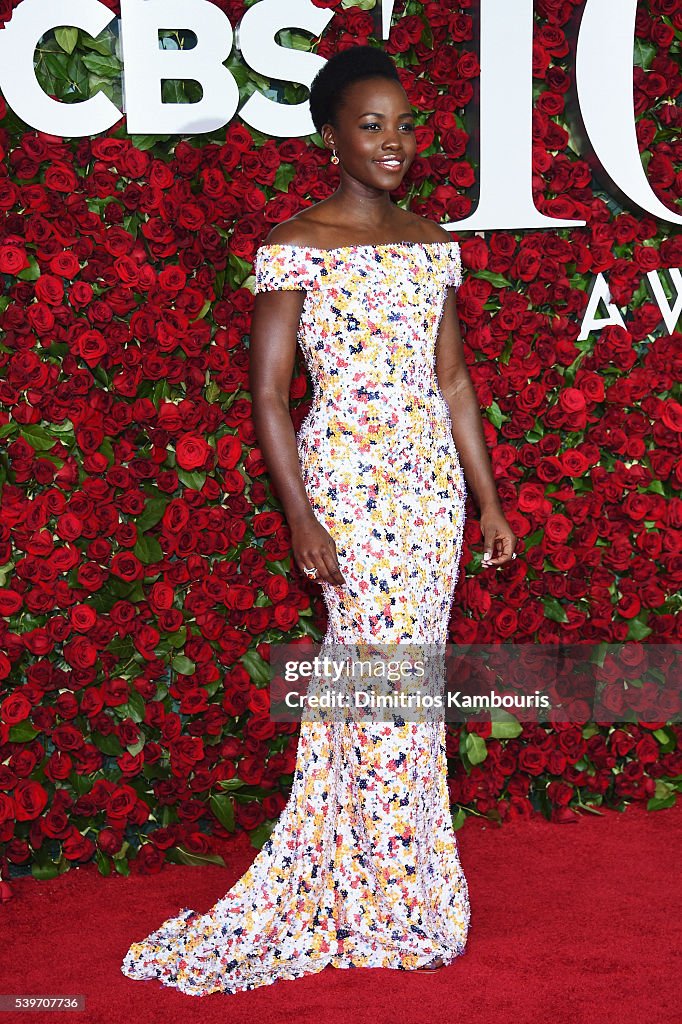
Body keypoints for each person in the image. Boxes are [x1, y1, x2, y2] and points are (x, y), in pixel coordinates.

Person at [121, 44, 516, 997]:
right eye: (372, 125)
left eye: (407, 125)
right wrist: (301, 515)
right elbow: (267, 395)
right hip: (347, 488)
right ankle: (377, 892)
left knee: (401, 684)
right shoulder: (294, 245)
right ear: (330, 134)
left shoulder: (431, 240)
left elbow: (453, 380)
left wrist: (489, 500)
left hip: (428, 493)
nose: (395, 142)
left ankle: (395, 883)